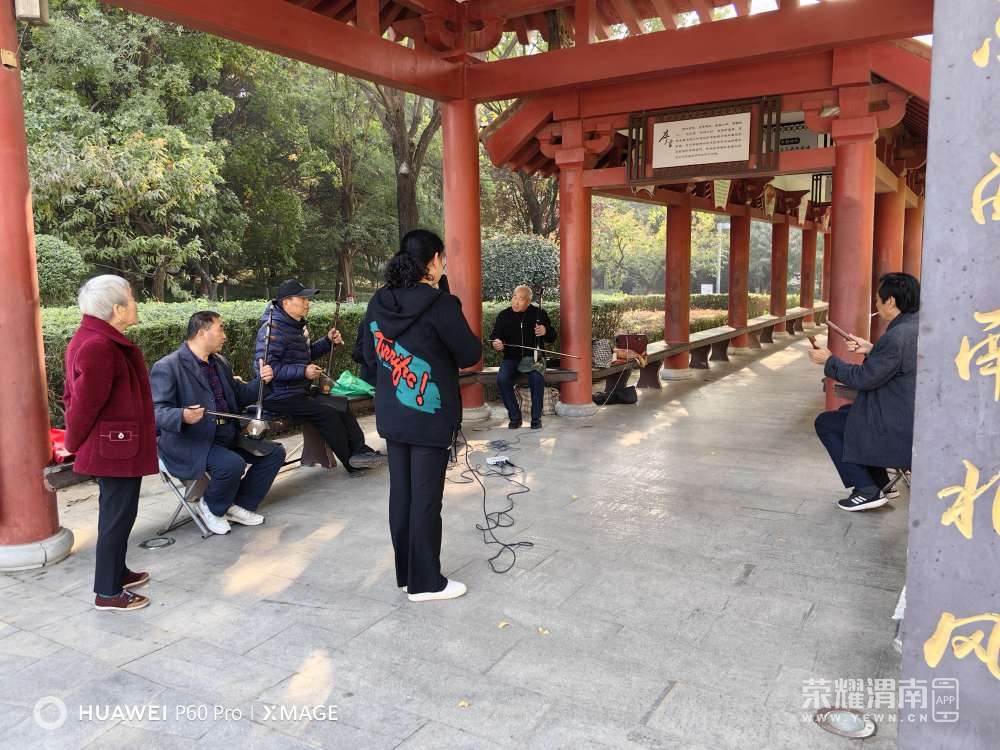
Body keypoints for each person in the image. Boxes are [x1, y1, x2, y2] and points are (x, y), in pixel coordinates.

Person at [362, 229, 482, 602]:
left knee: (402, 495)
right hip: (429, 414)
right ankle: (426, 582)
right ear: (432, 262)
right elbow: (470, 354)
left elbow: (368, 358)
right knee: (426, 498)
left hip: (393, 413)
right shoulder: (439, 304)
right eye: (442, 259)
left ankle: (407, 575)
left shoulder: (378, 301)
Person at [64, 276, 158, 612]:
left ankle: (118, 572)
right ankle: (107, 592)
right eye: (132, 299)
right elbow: (83, 404)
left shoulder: (100, 339)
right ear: (117, 309)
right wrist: (72, 444)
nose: (136, 304)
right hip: (113, 449)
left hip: (118, 446)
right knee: (115, 519)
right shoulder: (98, 345)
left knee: (122, 514)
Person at [150, 311, 287, 535]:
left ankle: (236, 505)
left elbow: (239, 395)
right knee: (231, 464)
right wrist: (182, 415)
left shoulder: (220, 362)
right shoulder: (168, 366)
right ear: (201, 333)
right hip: (190, 440)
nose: (224, 335)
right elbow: (156, 411)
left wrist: (262, 382)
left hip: (225, 434)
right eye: (220, 329)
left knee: (274, 453)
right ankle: (212, 506)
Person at [809, 272, 920, 512]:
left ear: (891, 301)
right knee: (846, 413)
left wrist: (829, 361)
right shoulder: (915, 326)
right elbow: (896, 365)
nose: (876, 304)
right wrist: (872, 349)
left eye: (878, 300)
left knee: (826, 423)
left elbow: (864, 378)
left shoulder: (897, 336)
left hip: (897, 426)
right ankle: (881, 483)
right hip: (908, 414)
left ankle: (866, 489)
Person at [254, 279, 386, 476]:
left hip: (298, 392)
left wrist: (327, 342)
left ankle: (360, 451)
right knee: (326, 413)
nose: (307, 303)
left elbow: (305, 355)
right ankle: (351, 462)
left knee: (340, 403)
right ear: (286, 302)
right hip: (278, 397)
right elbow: (267, 369)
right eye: (303, 299)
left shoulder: (295, 325)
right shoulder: (273, 330)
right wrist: (303, 371)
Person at [489, 285, 556, 429]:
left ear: (528, 301)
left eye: (521, 299)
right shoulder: (504, 315)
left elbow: (552, 337)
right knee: (502, 379)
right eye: (514, 297)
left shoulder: (539, 314)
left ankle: (536, 418)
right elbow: (495, 336)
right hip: (511, 358)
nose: (516, 302)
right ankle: (515, 417)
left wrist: (545, 330)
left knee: (536, 377)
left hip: (534, 358)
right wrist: (497, 342)